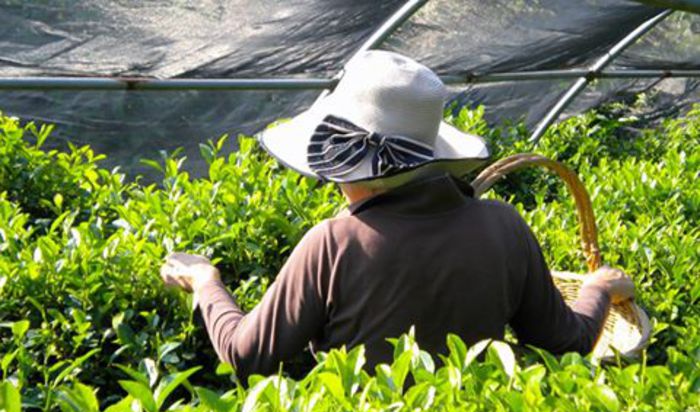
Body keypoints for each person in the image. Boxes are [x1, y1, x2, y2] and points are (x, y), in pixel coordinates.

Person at [160, 51, 635, 381]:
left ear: (341, 162)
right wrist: (596, 289)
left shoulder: (332, 242)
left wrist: (206, 283)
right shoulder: (503, 225)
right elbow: (565, 342)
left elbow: (248, 356)